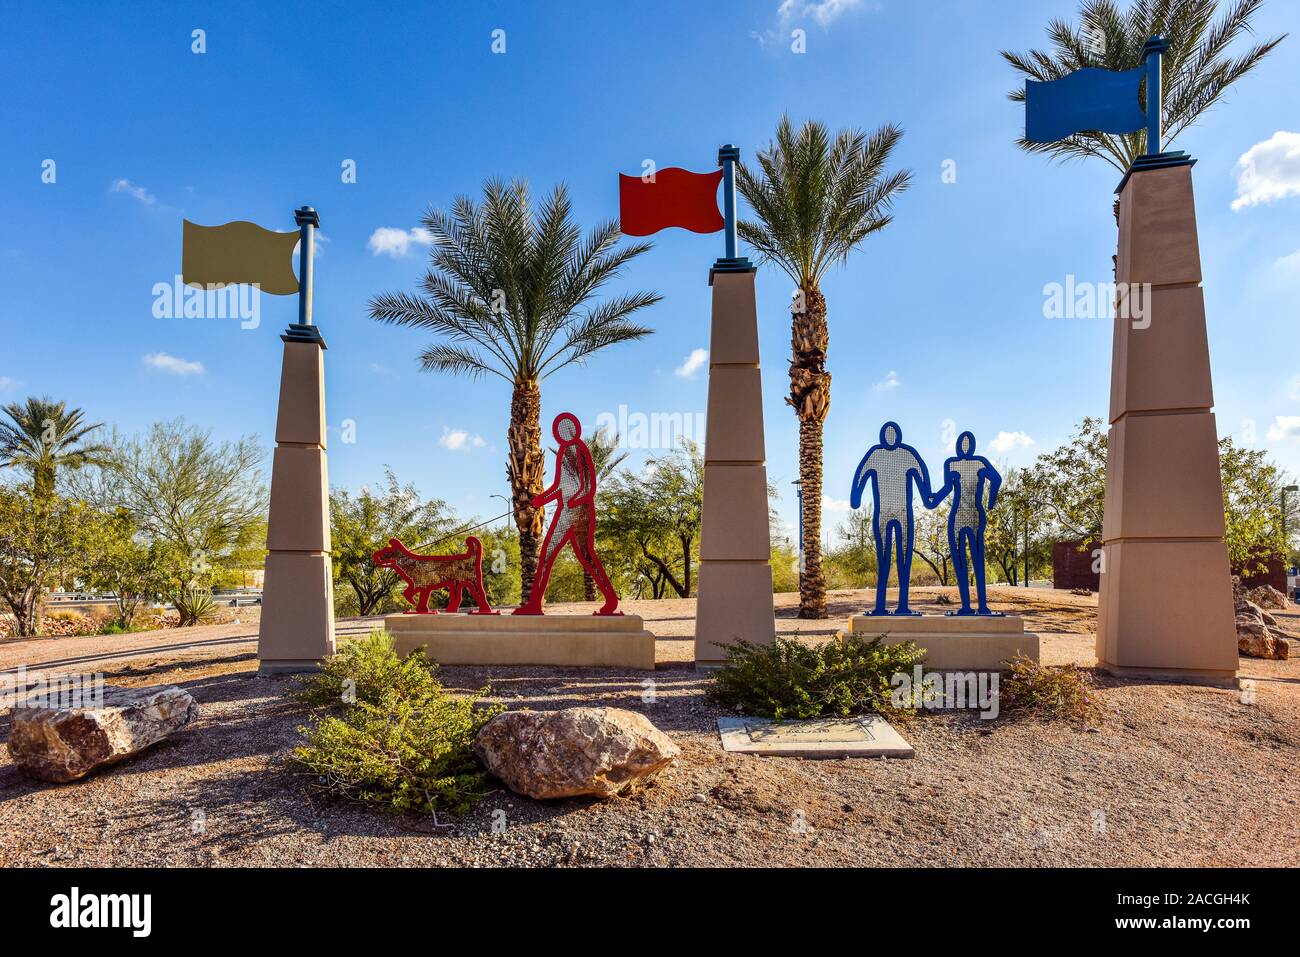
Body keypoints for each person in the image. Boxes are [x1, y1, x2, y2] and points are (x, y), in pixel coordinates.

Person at [514, 412, 621, 616]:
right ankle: (535, 604)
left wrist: (576, 500)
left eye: (567, 428)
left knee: (582, 556)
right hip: (566, 511)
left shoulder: (579, 450)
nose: (564, 432)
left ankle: (611, 600)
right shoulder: (564, 451)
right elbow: (559, 486)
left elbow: (589, 486)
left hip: (578, 511)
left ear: (573, 429)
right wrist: (539, 500)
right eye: (561, 429)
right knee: (550, 554)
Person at [850, 421, 933, 616]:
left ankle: (903, 604)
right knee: (884, 559)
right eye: (887, 433)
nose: (890, 436)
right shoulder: (876, 454)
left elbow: (922, 479)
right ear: (882, 435)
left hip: (904, 514)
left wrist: (929, 497)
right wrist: (856, 496)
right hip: (883, 514)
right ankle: (880, 605)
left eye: (893, 433)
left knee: (904, 559)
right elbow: (861, 476)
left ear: (898, 435)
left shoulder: (907, 454)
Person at [927, 431, 1002, 615]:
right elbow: (947, 488)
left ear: (973, 445)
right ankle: (966, 606)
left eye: (969, 443)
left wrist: (990, 501)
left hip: (976, 514)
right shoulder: (951, 463)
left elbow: (997, 479)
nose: (966, 446)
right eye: (963, 442)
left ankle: (983, 606)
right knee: (959, 560)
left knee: (978, 560)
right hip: (957, 516)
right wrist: (933, 500)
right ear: (958, 444)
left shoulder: (980, 462)